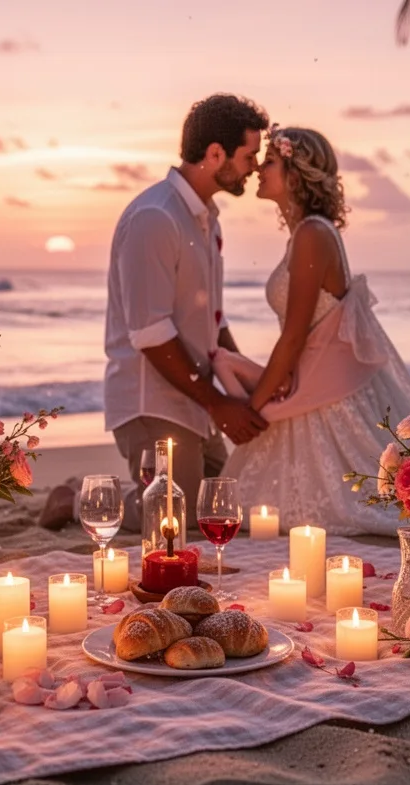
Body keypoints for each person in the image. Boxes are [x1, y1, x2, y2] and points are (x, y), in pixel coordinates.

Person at [217, 125, 410, 535]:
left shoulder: (313, 233)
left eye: (270, 162)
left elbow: (294, 337)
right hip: (311, 383)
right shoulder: (304, 233)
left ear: (296, 175)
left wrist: (252, 409)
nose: (259, 167)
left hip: (328, 396)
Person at [101, 94, 271, 529]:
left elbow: (213, 318)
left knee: (226, 504)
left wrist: (250, 384)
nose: (254, 167)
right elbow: (151, 332)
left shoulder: (206, 217)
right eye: (249, 155)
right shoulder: (155, 218)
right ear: (216, 154)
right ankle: (73, 499)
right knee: (178, 521)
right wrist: (219, 405)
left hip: (194, 397)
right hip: (152, 403)